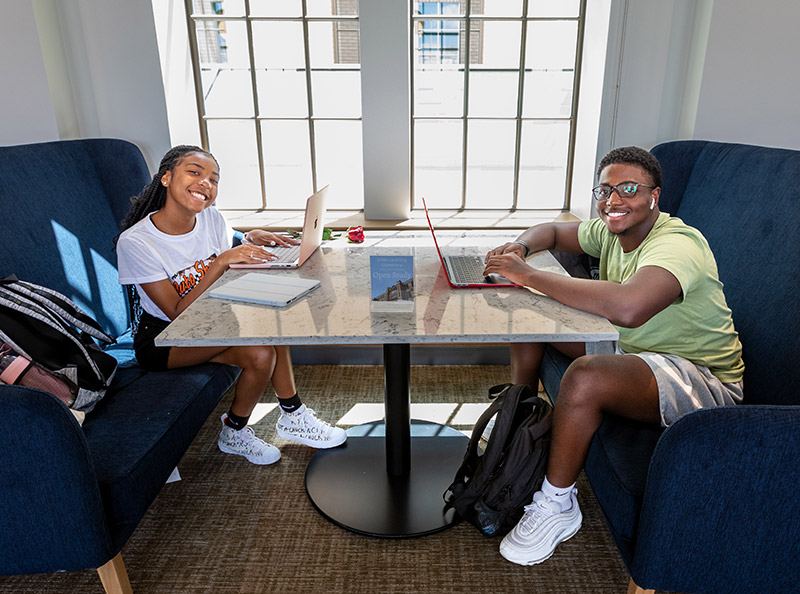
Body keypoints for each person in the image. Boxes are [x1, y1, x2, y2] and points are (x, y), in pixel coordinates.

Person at [483, 146, 744, 566]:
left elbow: (629, 307)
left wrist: (530, 275)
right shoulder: (611, 229)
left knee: (586, 377)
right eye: (604, 190)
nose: (613, 201)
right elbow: (550, 231)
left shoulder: (679, 243)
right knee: (529, 314)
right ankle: (516, 429)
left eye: (627, 189)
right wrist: (519, 249)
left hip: (702, 378)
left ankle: (558, 505)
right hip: (638, 347)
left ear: (654, 196)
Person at [116, 145, 346, 465]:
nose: (206, 183)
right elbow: (177, 312)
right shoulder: (137, 242)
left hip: (214, 318)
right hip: (166, 338)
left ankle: (252, 427)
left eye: (214, 179)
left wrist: (250, 237)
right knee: (263, 347)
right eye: (194, 172)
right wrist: (222, 261)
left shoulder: (210, 218)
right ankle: (282, 418)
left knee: (270, 334)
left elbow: (229, 238)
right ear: (166, 178)